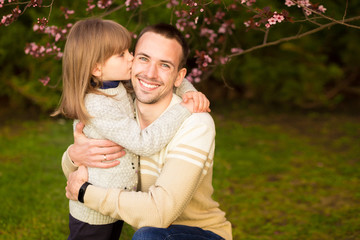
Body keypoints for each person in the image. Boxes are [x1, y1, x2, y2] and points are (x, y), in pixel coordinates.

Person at [64, 23, 232, 240]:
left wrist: (84, 193)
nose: (150, 73)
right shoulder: (122, 107)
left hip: (202, 234)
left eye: (164, 65)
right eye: (143, 58)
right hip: (148, 228)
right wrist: (73, 156)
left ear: (179, 76)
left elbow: (158, 215)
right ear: (133, 63)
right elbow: (75, 170)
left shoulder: (196, 123)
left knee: (148, 237)